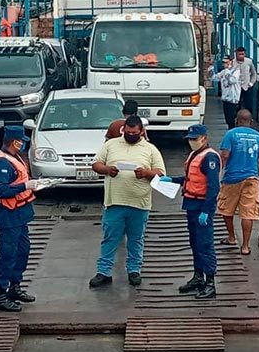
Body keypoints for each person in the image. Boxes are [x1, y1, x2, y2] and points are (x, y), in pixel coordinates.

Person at [90, 116, 166, 288]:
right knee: (110, 238)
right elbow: (96, 164)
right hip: (114, 201)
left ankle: (134, 270)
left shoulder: (150, 149)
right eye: (128, 132)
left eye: (134, 133)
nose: (130, 135)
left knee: (136, 239)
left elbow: (161, 173)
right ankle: (104, 272)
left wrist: (146, 173)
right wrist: (108, 169)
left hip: (139, 203)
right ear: (123, 130)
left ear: (141, 132)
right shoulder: (111, 145)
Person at [160, 124, 221, 299]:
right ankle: (198, 277)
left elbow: (213, 187)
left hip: (202, 206)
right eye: (190, 139)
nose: (191, 142)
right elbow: (190, 179)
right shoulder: (195, 154)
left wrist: (207, 211)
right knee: (195, 243)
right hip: (191, 204)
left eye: (195, 139)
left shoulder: (210, 158)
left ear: (204, 138)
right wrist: (172, 180)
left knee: (205, 244)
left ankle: (210, 284)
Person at [0, 126, 39, 312]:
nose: (23, 145)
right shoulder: (2, 163)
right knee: (8, 254)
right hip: (8, 215)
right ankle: (1, 294)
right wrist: (25, 185)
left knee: (22, 251)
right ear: (13, 141)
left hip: (21, 214)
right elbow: (0, 190)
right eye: (21, 141)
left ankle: (14, 287)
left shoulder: (14, 158)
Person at [217, 109, 259, 255]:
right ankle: (245, 246)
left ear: (236, 121)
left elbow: (225, 156)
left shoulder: (230, 134)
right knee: (248, 212)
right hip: (251, 178)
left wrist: (218, 173)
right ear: (251, 122)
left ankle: (232, 237)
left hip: (232, 178)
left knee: (226, 209)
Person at [208, 56, 242, 130]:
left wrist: (227, 72)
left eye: (226, 62)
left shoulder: (236, 71)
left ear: (231, 62)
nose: (224, 64)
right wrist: (211, 67)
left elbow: (232, 81)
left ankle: (233, 132)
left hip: (233, 99)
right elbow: (213, 77)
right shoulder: (224, 71)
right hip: (225, 99)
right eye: (223, 62)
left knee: (232, 119)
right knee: (227, 119)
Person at [233, 47, 257, 115]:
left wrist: (251, 83)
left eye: (242, 54)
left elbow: (253, 73)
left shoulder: (249, 62)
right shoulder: (232, 63)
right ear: (236, 54)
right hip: (236, 88)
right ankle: (237, 120)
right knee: (236, 106)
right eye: (239, 54)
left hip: (246, 87)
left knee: (249, 105)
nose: (241, 56)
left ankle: (249, 120)